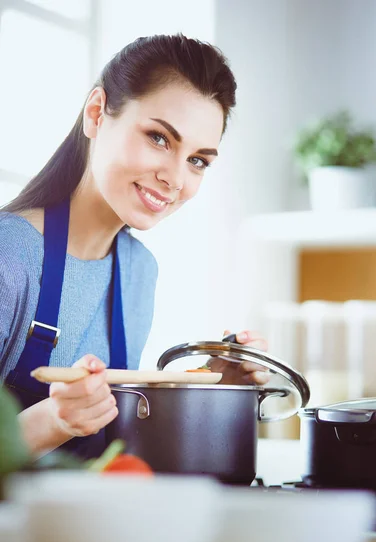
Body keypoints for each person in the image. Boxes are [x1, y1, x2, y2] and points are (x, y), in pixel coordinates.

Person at [0, 33, 268, 460]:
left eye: (198, 160)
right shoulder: (9, 257)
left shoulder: (139, 270)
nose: (176, 179)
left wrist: (209, 383)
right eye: (159, 138)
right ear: (95, 114)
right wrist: (54, 420)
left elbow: (119, 442)